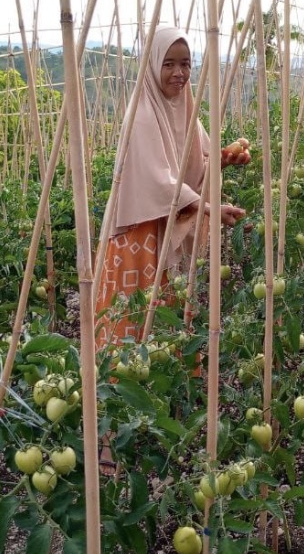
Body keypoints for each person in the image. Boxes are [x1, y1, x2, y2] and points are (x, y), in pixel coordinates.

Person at [94, 25, 248, 350]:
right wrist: (209, 208)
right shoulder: (142, 114)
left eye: (186, 64)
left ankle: (167, 390)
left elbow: (195, 168)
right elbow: (160, 183)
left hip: (170, 226)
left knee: (167, 320)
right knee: (135, 316)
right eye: (169, 64)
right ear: (153, 66)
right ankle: (118, 391)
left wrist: (223, 160)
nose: (179, 73)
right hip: (140, 235)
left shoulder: (187, 112)